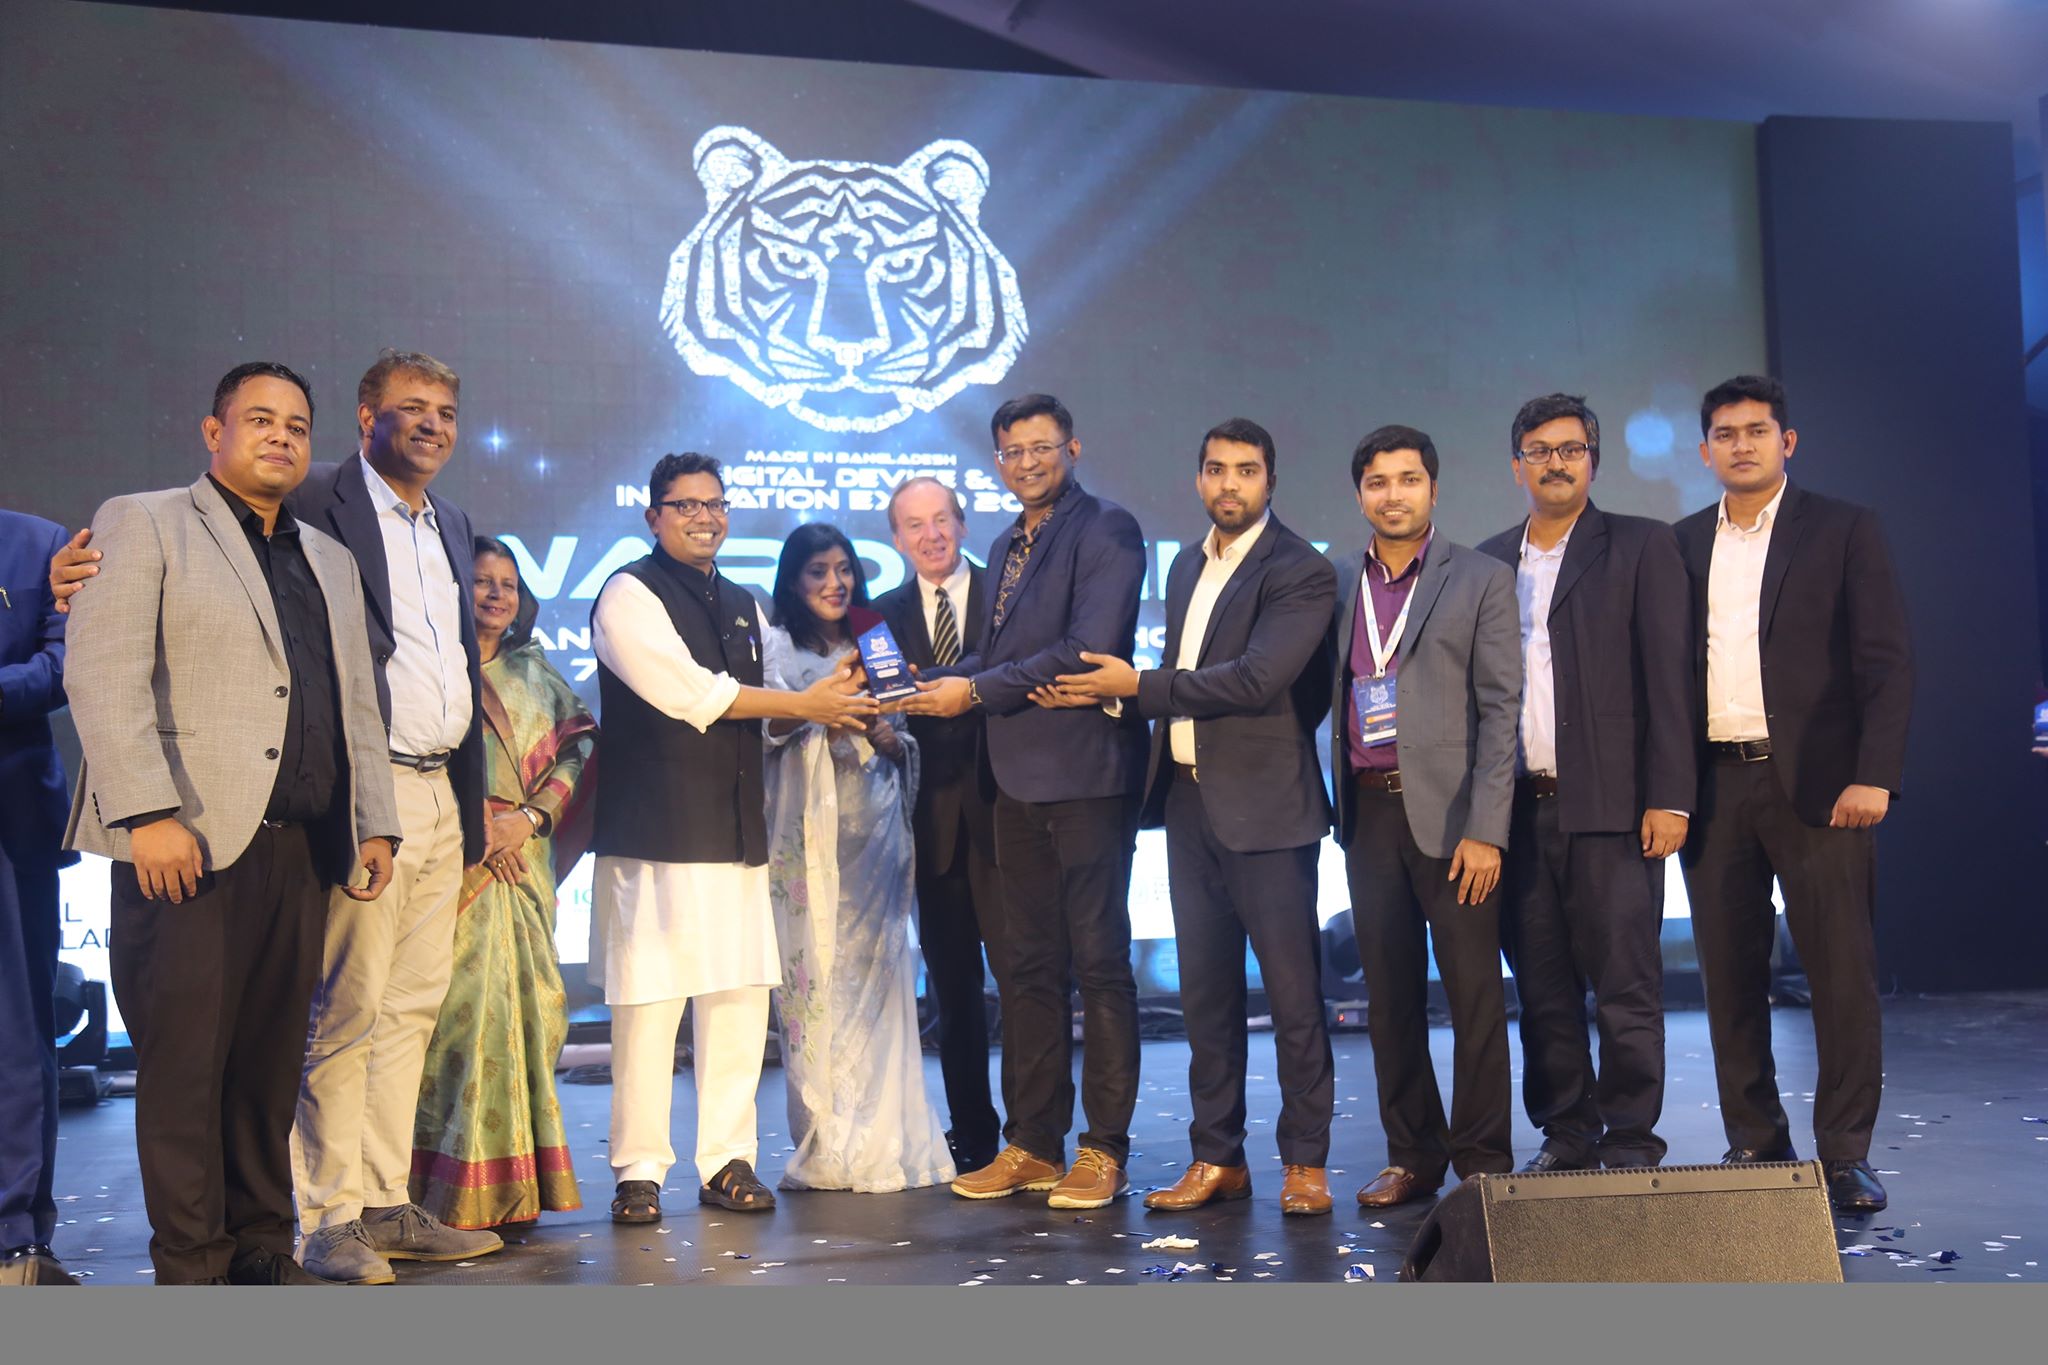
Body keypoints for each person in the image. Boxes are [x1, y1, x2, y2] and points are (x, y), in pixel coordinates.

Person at [49, 348, 500, 1283]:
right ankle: (193, 1264)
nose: (281, 438)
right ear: (213, 432)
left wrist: (373, 820)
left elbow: (354, 703)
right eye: (260, 420)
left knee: (265, 1066)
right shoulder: (144, 522)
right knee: (186, 1067)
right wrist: (146, 813)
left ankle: (260, 1247)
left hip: (301, 845)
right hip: (185, 841)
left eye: (296, 426)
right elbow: (102, 674)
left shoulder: (327, 556)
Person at [1050, 418, 1339, 1216]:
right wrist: (1136, 695)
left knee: (1293, 996)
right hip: (1187, 801)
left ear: (1270, 480)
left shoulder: (1301, 569)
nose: (1229, 483)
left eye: (1245, 469)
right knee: (1206, 996)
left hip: (1270, 806)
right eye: (1216, 468)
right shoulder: (1185, 563)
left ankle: (1305, 1162)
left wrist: (1138, 687)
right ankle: (1218, 1156)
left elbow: (1256, 680)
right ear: (1199, 478)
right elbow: (1198, 673)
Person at [590, 453, 878, 1225]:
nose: (704, 517)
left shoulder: (747, 602)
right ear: (653, 516)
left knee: (739, 1001)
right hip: (655, 831)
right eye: (685, 505)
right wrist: (806, 704)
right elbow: (692, 695)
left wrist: (825, 702)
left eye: (714, 503)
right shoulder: (627, 592)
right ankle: (639, 1171)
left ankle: (727, 1159)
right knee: (650, 1005)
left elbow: (768, 716)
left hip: (738, 829)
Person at [894, 393, 1148, 1211]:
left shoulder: (1107, 529)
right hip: (1012, 779)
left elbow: (1084, 649)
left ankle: (1103, 1148)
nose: (1027, 462)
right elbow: (1000, 653)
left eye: (1042, 447)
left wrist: (972, 692)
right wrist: (931, 681)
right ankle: (1034, 1142)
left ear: (1072, 448)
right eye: (1012, 451)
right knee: (1029, 967)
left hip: (1087, 775)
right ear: (998, 461)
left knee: (1100, 965)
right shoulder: (1005, 543)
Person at [1674, 375, 1912, 1213]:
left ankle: (1845, 1152)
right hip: (1713, 784)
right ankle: (1755, 1140)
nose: (1741, 444)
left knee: (1841, 974)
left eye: (1757, 430)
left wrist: (1875, 773)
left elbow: (1886, 662)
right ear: (1704, 451)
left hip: (1822, 784)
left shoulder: (1844, 528)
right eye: (1725, 433)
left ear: (1788, 441)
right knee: (1728, 976)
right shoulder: (1680, 543)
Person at [1476, 394, 1694, 1172]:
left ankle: (1631, 1137)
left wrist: (1670, 795)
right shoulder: (1488, 561)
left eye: (1571, 448)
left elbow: (1670, 677)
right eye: (1539, 450)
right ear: (1517, 466)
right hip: (1517, 810)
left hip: (1614, 807)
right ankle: (1567, 1131)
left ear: (1593, 461)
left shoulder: (1641, 544)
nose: (1555, 463)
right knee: (1542, 988)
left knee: (1626, 985)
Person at [1330, 425, 1519, 1209]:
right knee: (1390, 995)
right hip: (1368, 812)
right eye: (1378, 481)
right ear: (1360, 496)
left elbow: (1502, 709)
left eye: (1408, 479)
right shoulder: (1339, 582)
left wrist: (1488, 829)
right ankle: (1411, 1153)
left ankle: (1482, 1158)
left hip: (1456, 818)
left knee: (1474, 993)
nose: (1393, 494)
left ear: (1433, 489)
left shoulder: (1481, 577)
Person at [408, 538, 597, 1229]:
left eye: (508, 583)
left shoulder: (535, 675)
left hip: (523, 866)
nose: (495, 593)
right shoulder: (429, 666)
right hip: (449, 862)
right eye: (482, 580)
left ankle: (512, 1189)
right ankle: (435, 1191)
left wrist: (528, 817)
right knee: (451, 1021)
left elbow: (579, 750)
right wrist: (476, 826)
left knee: (531, 1012)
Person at [761, 523, 954, 1192]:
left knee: (882, 981)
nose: (835, 582)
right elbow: (764, 730)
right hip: (809, 842)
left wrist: (884, 733)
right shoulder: (775, 647)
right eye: (818, 570)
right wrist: (820, 710)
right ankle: (828, 1139)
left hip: (875, 836)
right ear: (793, 579)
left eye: (844, 568)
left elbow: (901, 739)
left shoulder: (875, 640)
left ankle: (885, 1138)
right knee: (816, 982)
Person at [871, 477, 1010, 1174]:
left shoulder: (1008, 593)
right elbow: (884, 708)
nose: (931, 535)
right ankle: (975, 1136)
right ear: (896, 538)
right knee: (953, 993)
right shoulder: (877, 616)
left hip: (1010, 813)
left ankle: (1035, 1133)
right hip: (932, 827)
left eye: (941, 520)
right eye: (914, 525)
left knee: (1025, 985)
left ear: (962, 523)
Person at [0, 508, 78, 1286]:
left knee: (16, 1029)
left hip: (11, 812)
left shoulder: (40, 542)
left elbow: (63, 665)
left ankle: (15, 1235)